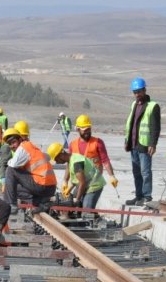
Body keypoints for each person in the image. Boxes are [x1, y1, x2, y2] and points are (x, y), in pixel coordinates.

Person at [2, 126, 57, 214]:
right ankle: (41, 201)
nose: (12, 146)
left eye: (13, 142)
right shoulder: (31, 147)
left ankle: (10, 204)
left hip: (42, 184)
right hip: (49, 188)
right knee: (11, 189)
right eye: (10, 144)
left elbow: (12, 165)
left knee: (10, 170)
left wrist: (8, 163)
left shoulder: (24, 147)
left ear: (20, 139)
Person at [124, 77, 160, 207]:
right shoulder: (134, 105)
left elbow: (156, 127)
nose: (137, 95)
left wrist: (153, 144)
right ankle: (138, 196)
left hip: (145, 145)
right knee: (136, 172)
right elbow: (131, 124)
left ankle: (147, 196)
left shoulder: (152, 106)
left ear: (145, 90)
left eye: (139, 91)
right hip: (133, 144)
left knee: (145, 172)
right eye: (135, 92)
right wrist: (126, 140)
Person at [65, 115, 117, 196]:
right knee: (75, 204)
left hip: (94, 183)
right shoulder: (72, 145)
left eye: (89, 129)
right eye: (84, 130)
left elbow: (105, 161)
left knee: (87, 206)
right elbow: (69, 165)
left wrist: (112, 176)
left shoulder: (98, 143)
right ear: (78, 129)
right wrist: (65, 181)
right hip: (80, 182)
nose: (87, 131)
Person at [48, 143, 105, 209]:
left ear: (60, 155)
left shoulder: (76, 163)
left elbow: (82, 183)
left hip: (94, 185)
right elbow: (73, 177)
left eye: (56, 159)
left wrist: (77, 200)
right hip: (85, 183)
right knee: (73, 199)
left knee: (86, 209)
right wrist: (67, 186)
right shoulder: (70, 159)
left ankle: (89, 216)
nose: (56, 162)